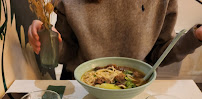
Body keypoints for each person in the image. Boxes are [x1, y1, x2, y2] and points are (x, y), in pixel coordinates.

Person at [28, 0, 202, 79]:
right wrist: (48, 42)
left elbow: (159, 54)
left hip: (133, 87)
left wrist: (194, 38)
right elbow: (68, 52)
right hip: (79, 88)